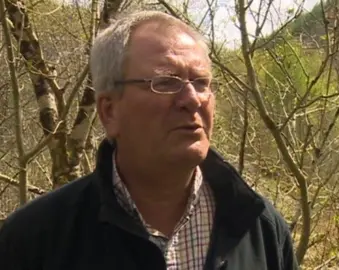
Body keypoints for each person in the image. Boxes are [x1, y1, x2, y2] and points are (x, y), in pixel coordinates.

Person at [0, 10, 299, 270]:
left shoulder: (260, 229)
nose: (192, 100)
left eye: (201, 83)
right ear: (109, 111)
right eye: (165, 82)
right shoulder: (35, 241)